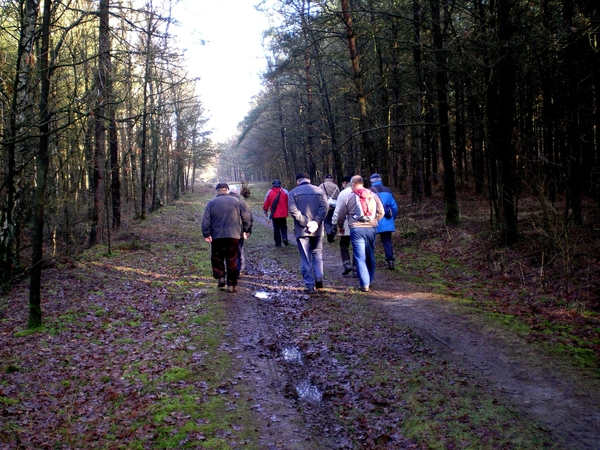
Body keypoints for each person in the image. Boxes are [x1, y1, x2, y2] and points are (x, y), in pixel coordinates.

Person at [335, 175, 384, 292]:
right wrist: (375, 220)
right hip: (372, 228)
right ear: (362, 183)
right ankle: (370, 279)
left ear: (352, 184)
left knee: (360, 257)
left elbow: (341, 215)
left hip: (356, 229)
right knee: (370, 254)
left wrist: (340, 226)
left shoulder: (349, 197)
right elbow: (381, 211)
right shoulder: (373, 195)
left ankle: (364, 284)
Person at [202, 183, 252, 293]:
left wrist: (207, 234)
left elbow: (206, 220)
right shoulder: (237, 202)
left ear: (217, 191)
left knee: (217, 257)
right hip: (233, 235)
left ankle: (220, 277)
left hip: (216, 235)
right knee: (232, 259)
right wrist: (247, 230)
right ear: (227, 190)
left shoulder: (211, 203)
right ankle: (231, 284)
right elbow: (246, 217)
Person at [288, 172, 328, 294]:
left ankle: (309, 286)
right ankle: (319, 279)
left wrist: (306, 223)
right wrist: (315, 222)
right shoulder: (320, 191)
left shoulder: (293, 193)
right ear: (309, 180)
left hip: (302, 231)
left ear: (297, 181)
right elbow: (325, 208)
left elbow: (293, 211)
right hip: (317, 230)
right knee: (317, 255)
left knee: (305, 258)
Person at [369, 173, 399, 270]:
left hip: (374, 221)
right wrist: (391, 219)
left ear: (371, 181)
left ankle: (370, 261)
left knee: (371, 242)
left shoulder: (369, 192)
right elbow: (394, 208)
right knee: (387, 241)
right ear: (380, 180)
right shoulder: (388, 190)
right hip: (387, 221)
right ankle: (390, 262)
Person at [331, 176, 355, 276]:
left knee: (344, 245)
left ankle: (346, 264)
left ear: (345, 183)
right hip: (358, 225)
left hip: (344, 224)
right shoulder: (361, 191)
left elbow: (338, 211)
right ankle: (356, 268)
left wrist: (334, 223)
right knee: (356, 247)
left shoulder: (343, 193)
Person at [229, 185, 253, 273]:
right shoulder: (242, 202)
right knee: (239, 248)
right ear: (236, 192)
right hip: (239, 231)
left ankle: (232, 267)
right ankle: (241, 268)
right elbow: (248, 217)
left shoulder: (224, 203)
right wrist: (247, 230)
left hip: (227, 231)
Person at [263, 180, 289, 247]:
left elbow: (266, 203)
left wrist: (265, 211)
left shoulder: (269, 192)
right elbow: (289, 202)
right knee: (283, 227)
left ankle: (278, 243)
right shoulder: (285, 192)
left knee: (276, 228)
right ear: (280, 185)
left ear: (273, 185)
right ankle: (285, 238)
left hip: (274, 214)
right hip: (283, 214)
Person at [318, 174, 340, 243]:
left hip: (325, 206)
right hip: (334, 206)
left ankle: (328, 232)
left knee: (326, 221)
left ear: (325, 178)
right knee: (333, 220)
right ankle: (332, 233)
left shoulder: (321, 186)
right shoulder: (335, 186)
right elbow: (339, 196)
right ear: (332, 179)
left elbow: (318, 196)